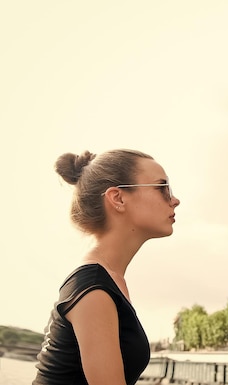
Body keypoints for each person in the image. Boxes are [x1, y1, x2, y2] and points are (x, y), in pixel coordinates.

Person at [33, 149, 181, 385]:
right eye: (162, 187)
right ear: (118, 198)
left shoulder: (106, 281)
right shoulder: (94, 289)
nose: (174, 199)